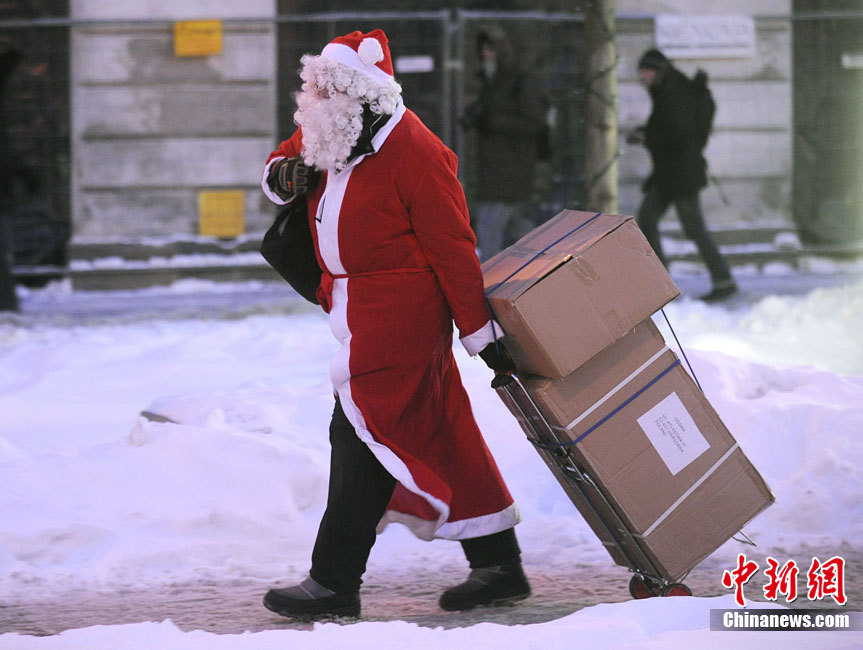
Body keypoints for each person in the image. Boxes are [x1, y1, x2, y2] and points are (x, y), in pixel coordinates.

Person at [259, 29, 530, 620]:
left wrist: (479, 333)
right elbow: (286, 153)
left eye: (325, 90)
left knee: (359, 431)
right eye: (314, 89)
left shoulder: (417, 152)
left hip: (401, 317)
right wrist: (282, 175)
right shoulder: (331, 128)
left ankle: (333, 581)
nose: (313, 101)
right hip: (353, 308)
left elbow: (455, 249)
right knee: (435, 428)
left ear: (360, 95)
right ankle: (499, 565)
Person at [630, 48, 737, 302]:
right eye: (641, 72)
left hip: (681, 174)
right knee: (648, 219)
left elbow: (679, 133)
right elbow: (671, 127)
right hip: (671, 173)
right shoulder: (668, 89)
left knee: (692, 228)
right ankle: (662, 283)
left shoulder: (673, 92)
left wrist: (647, 136)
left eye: (646, 71)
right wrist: (648, 133)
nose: (643, 76)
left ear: (658, 70)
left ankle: (722, 281)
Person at [461, 25, 544, 261]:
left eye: (491, 49)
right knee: (516, 225)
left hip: (512, 167)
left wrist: (493, 121)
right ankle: (548, 261)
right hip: (494, 168)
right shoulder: (491, 83)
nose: (485, 55)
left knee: (491, 225)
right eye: (483, 50)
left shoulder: (519, 82)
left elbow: (533, 122)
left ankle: (488, 280)